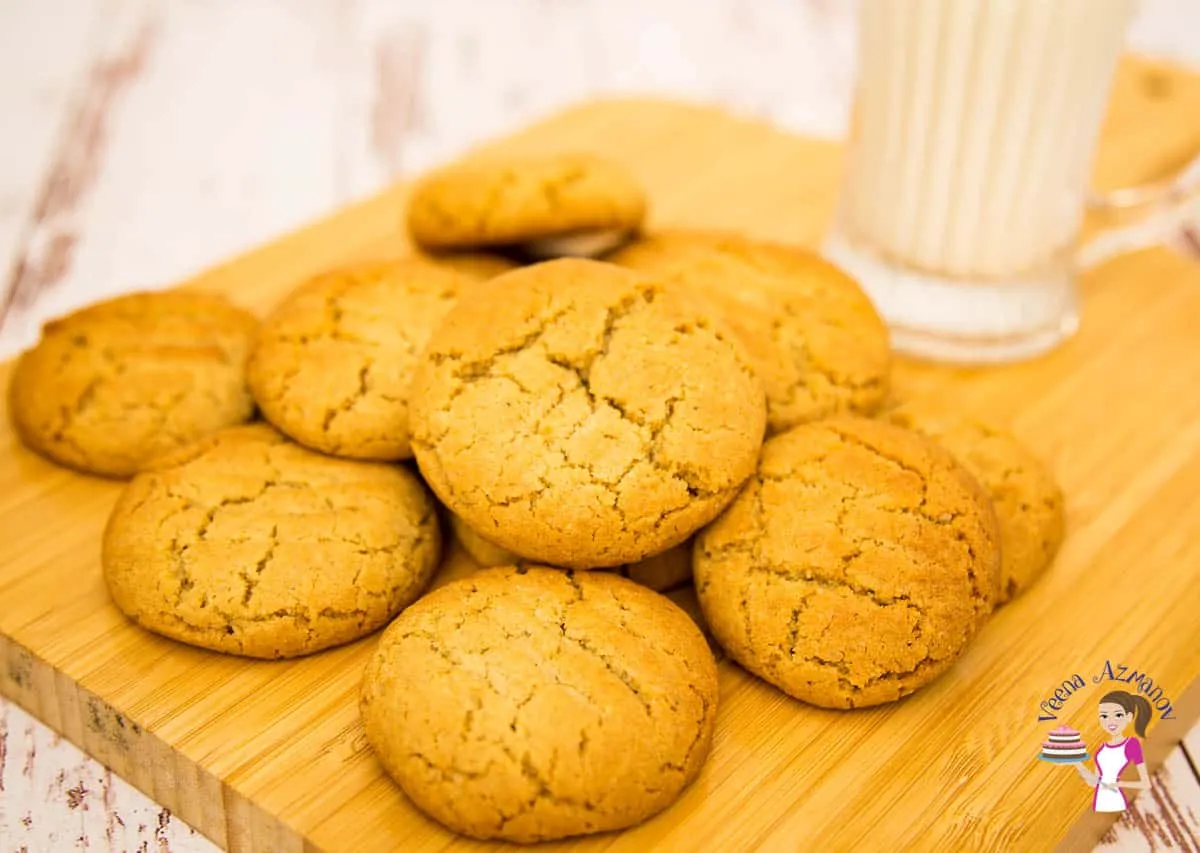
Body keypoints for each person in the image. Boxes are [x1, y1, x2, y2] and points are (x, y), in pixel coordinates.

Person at [1074, 690, 1151, 811]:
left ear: (1129, 717)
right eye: (1104, 716)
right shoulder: (1102, 747)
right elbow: (1094, 782)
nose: (1110, 721)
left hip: (1114, 799)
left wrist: (1118, 784)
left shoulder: (1131, 744)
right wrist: (1077, 763)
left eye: (1118, 715)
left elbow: (1145, 783)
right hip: (1101, 800)